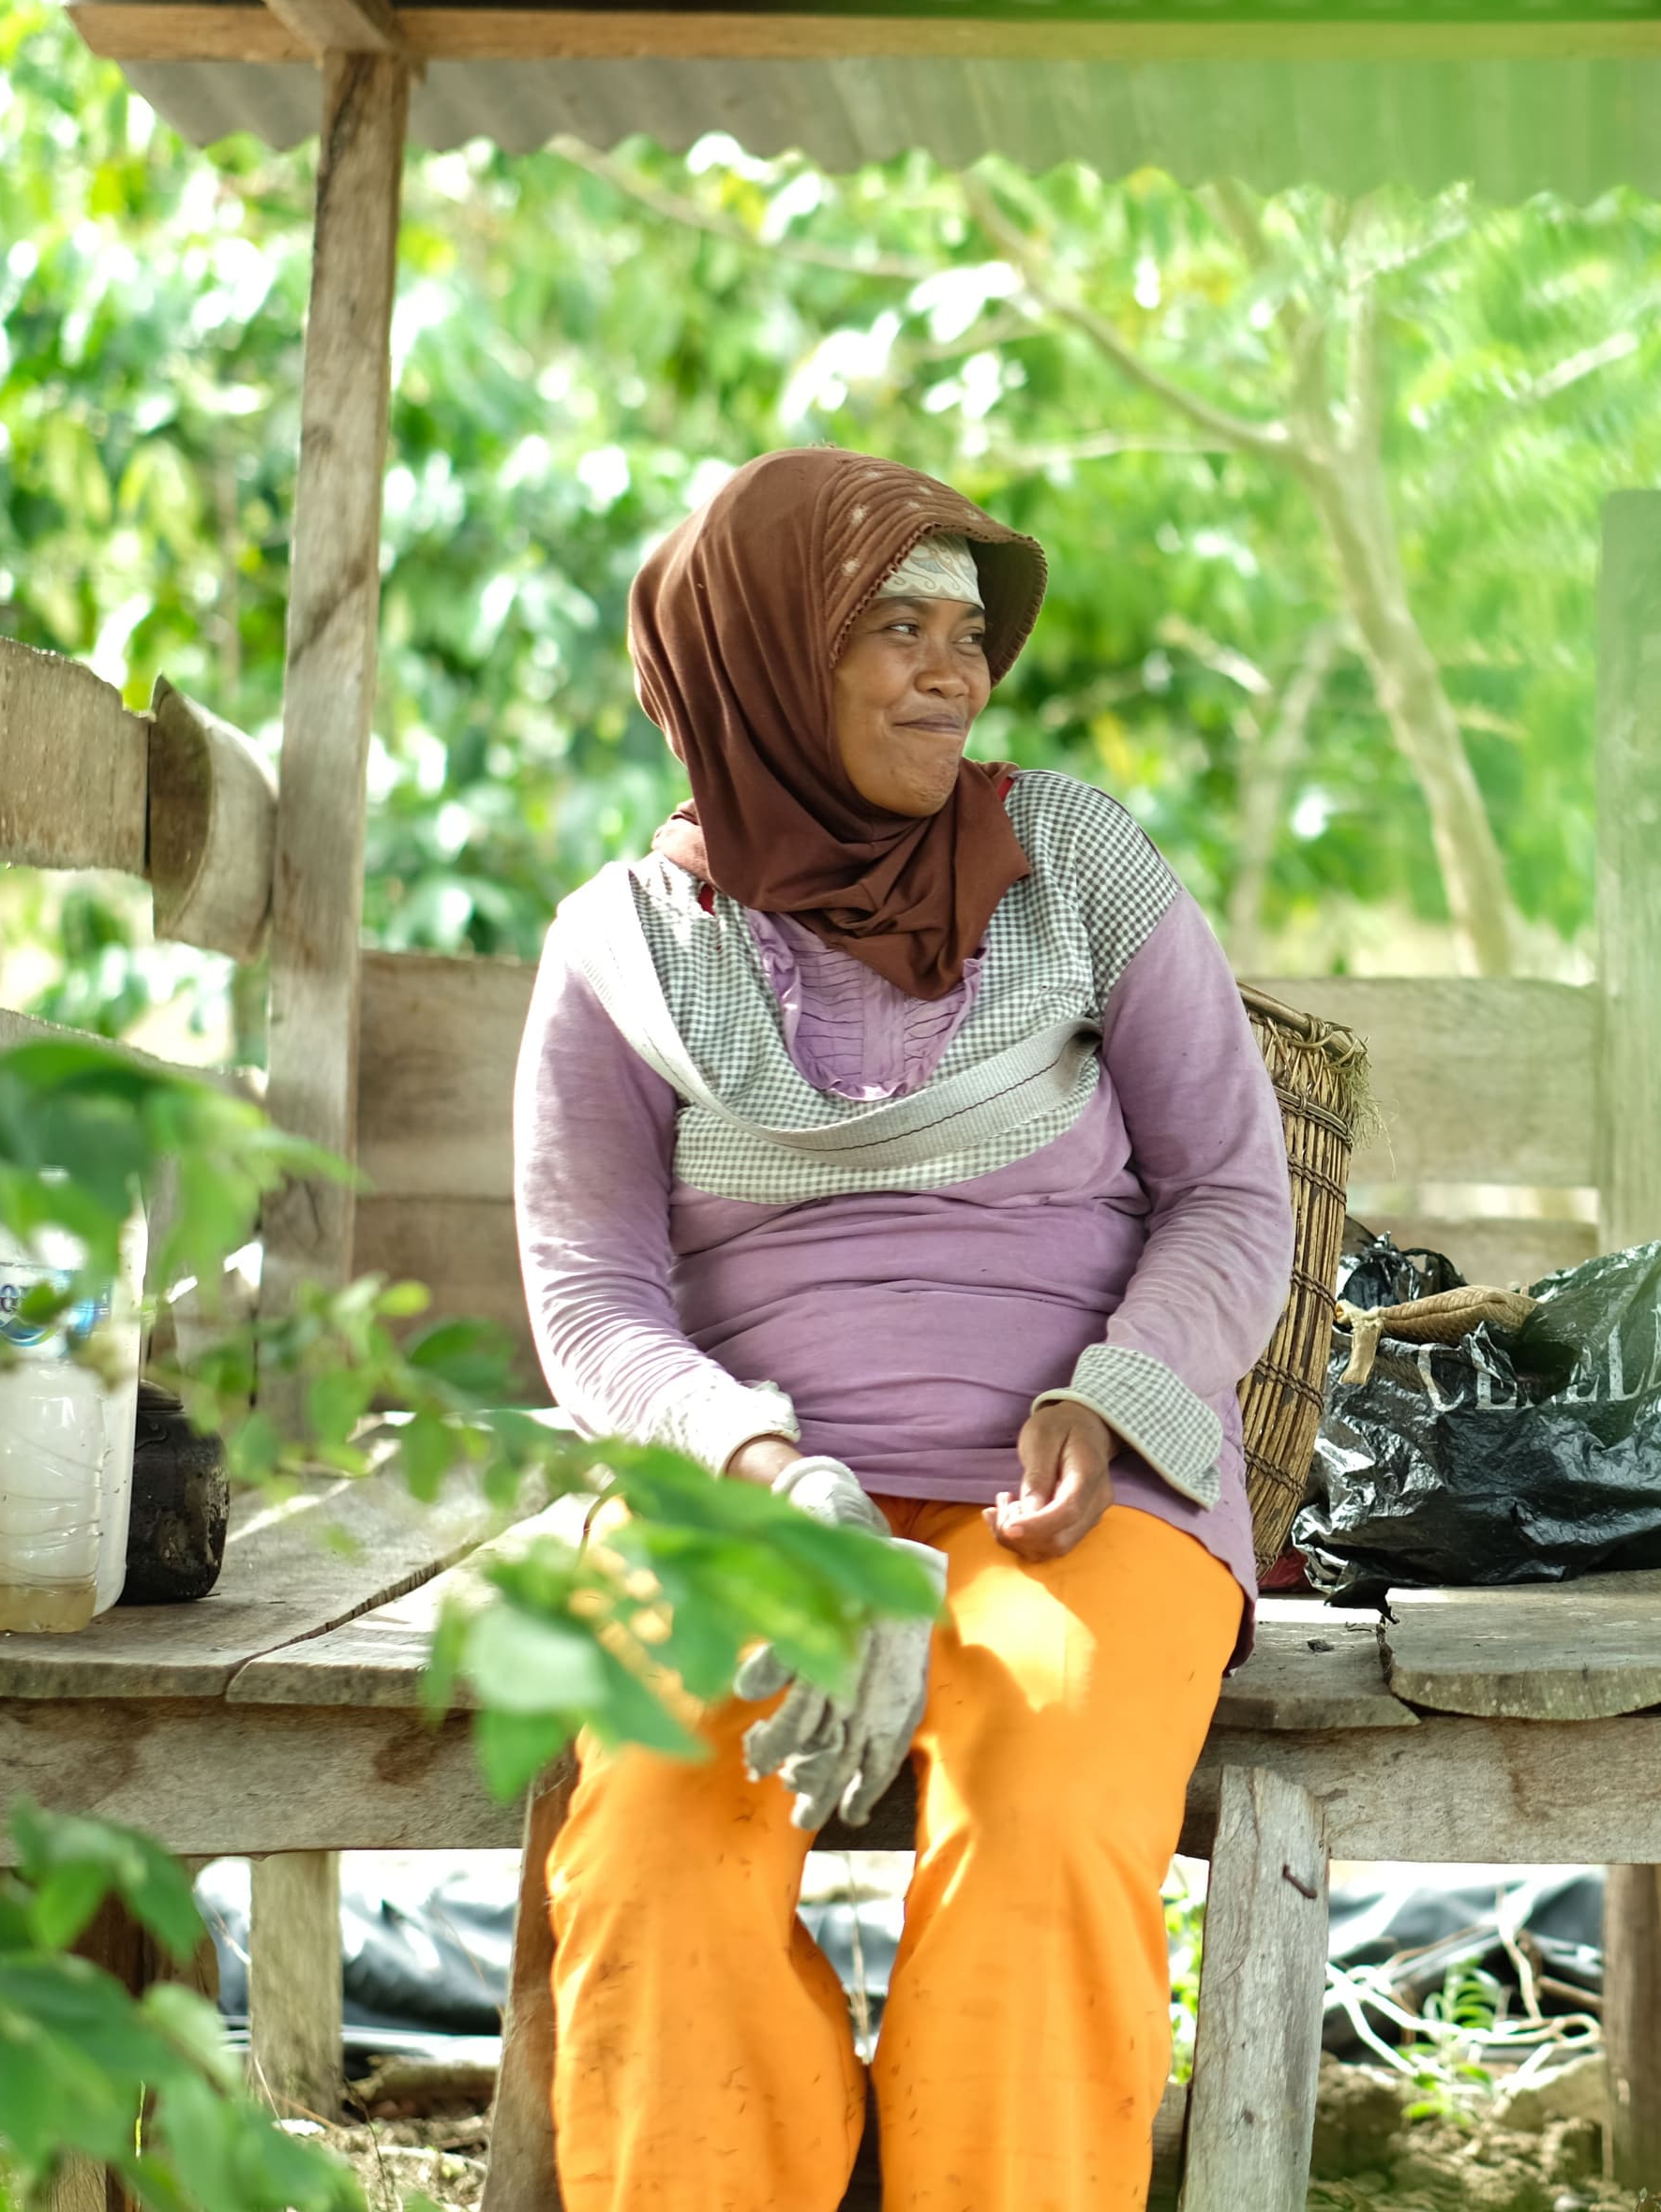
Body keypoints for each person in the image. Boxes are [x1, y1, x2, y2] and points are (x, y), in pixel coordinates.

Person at [514, 447, 1293, 2212]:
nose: (956, 671)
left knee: (1039, 1845)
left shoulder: (1077, 862)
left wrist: (1116, 1399)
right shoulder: (621, 947)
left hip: (1084, 1509)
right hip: (748, 1511)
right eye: (895, 628)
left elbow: (1237, 1195)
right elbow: (589, 1295)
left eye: (969, 633)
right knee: (653, 1848)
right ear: (763, 659)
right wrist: (766, 1470)